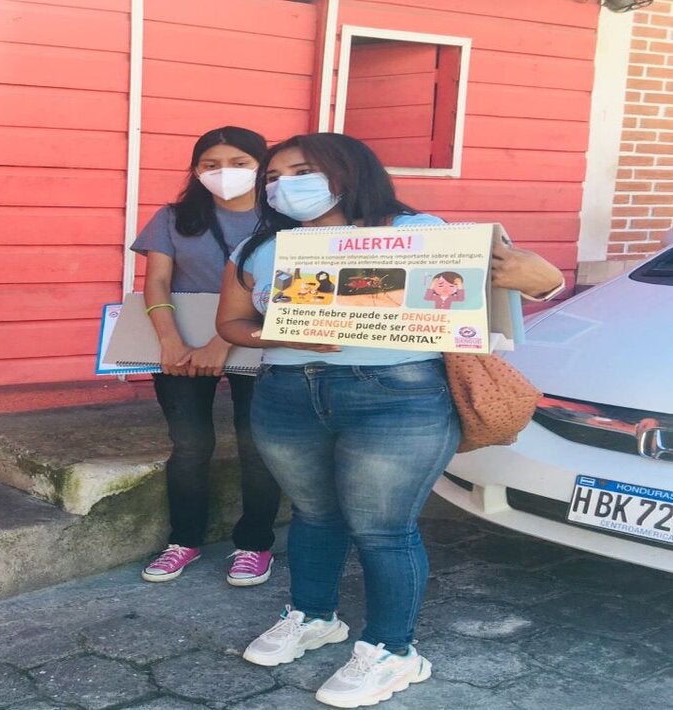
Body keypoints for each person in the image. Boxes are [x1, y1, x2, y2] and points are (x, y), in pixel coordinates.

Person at [216, 133, 564, 708]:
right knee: (312, 514)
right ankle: (313, 616)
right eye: (272, 178)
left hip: (398, 396)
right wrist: (284, 333)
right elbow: (231, 325)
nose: (282, 186)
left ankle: (392, 650)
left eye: (300, 172)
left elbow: (523, 281)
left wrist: (545, 278)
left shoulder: (422, 231)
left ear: (347, 172)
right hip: (285, 394)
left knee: (382, 527)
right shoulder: (261, 247)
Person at [130, 126, 284, 586]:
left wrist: (224, 341)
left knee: (256, 446)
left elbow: (288, 292)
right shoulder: (174, 218)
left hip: (255, 339)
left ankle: (254, 545)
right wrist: (169, 341)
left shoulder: (284, 222)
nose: (224, 173)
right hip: (181, 341)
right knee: (190, 446)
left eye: (239, 163)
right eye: (210, 165)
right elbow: (157, 283)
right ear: (195, 170)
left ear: (261, 167)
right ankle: (184, 540)